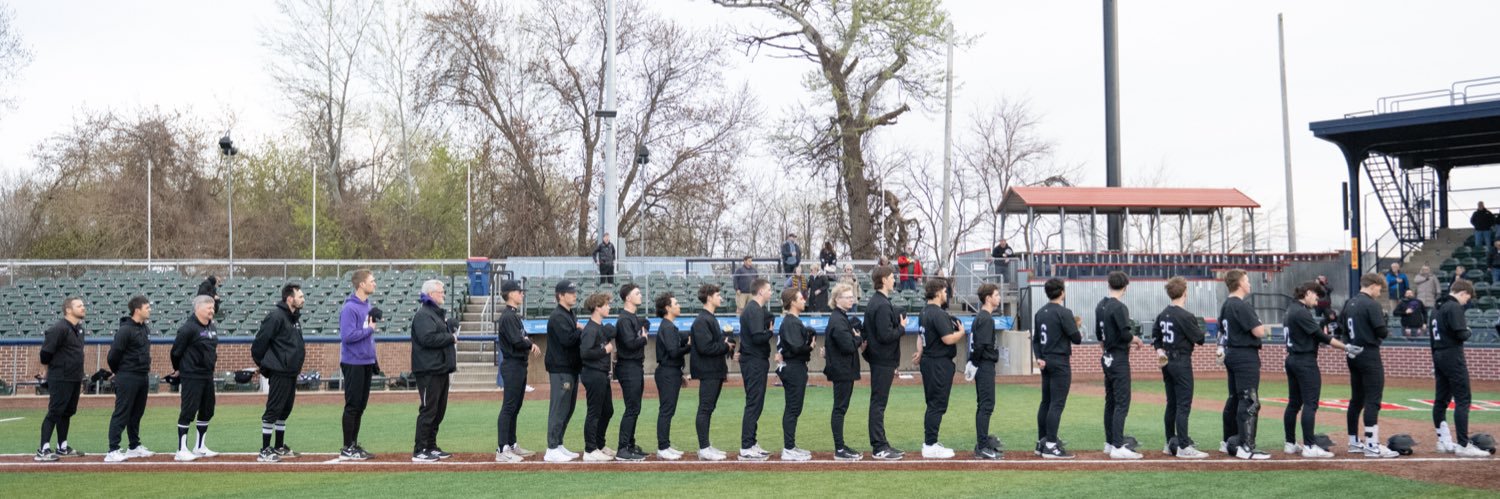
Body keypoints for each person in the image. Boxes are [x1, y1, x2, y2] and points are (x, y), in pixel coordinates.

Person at [1282, 281, 1352, 459]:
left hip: (1292, 359)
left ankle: (1290, 443)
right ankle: (1309, 446)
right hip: (1304, 361)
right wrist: (1346, 347)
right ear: (1307, 293)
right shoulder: (1301, 312)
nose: (1317, 299)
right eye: (1316, 295)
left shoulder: (1291, 309)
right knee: (1310, 403)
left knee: (1294, 403)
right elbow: (1321, 336)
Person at [1339, 273, 1400, 458]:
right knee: (1373, 399)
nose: (1378, 292)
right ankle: (1372, 444)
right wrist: (1386, 327)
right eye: (1379, 289)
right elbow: (1380, 331)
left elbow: (1341, 330)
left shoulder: (1349, 303)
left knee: (1356, 399)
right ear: (1373, 285)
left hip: (1352, 352)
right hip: (1369, 353)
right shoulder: (1371, 304)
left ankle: (1353, 442)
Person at [1431, 280, 1489, 457]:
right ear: (1462, 292)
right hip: (1452, 355)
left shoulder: (1436, 307)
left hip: (1438, 354)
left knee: (1441, 399)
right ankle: (1463, 444)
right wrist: (1469, 331)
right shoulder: (1454, 307)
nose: (1466, 302)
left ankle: (1443, 441)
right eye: (1467, 298)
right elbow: (1461, 334)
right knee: (1463, 399)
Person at [1152, 277, 1208, 459]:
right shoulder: (1185, 315)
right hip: (1181, 361)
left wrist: (1160, 351)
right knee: (1183, 405)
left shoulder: (1163, 314)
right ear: (1185, 293)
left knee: (1172, 404)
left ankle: (1170, 443)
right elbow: (1200, 339)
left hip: (1167, 361)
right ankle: (1183, 445)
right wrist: (1200, 328)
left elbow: (1156, 337)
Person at [1218, 269, 1271, 460]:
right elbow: (1259, 332)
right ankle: (1245, 447)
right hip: (1244, 355)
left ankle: (1229, 441)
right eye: (1247, 280)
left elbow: (1221, 333)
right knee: (1249, 400)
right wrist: (1261, 325)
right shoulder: (1241, 305)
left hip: (1231, 353)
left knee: (1235, 398)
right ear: (1240, 283)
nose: (1249, 283)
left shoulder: (1226, 305)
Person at [252, 283, 307, 462]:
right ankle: (265, 450)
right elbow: (259, 344)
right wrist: (267, 365)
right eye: (300, 296)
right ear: (289, 298)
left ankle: (279, 446)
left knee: (285, 410)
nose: (303, 299)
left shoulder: (294, 318)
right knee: (273, 410)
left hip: (291, 372)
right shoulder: (276, 316)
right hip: (280, 371)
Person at [1096, 271, 1144, 459]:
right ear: (1125, 287)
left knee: (1111, 401)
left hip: (1107, 356)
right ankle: (1117, 445)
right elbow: (1125, 334)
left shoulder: (1101, 305)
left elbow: (1100, 337)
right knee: (1122, 402)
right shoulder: (1119, 307)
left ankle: (1110, 442)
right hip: (1118, 357)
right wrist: (1137, 340)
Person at [915, 278, 965, 459]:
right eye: (944, 291)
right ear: (937, 292)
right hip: (938, 363)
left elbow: (920, 336)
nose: (946, 294)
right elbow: (947, 339)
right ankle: (930, 445)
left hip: (929, 361)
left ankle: (930, 442)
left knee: (933, 404)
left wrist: (920, 351)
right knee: (937, 405)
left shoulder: (923, 312)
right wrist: (961, 333)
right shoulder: (938, 313)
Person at [410, 280, 459, 463]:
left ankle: (431, 445)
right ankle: (420, 448)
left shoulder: (435, 314)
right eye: (440, 292)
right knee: (429, 409)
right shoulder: (423, 315)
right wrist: (450, 337)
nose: (443, 295)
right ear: (431, 294)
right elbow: (427, 338)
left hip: (440, 368)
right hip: (428, 369)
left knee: (439, 410)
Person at [1033, 278, 1082, 459]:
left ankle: (1042, 442)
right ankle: (1051, 445)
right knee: (1056, 403)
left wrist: (1038, 357)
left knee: (1046, 402)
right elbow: (1076, 339)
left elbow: (1036, 340)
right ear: (1061, 292)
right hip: (1060, 361)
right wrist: (1076, 325)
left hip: (1045, 361)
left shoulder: (1040, 312)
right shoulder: (1064, 312)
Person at [35, 296, 87, 462]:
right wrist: (47, 371)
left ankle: (62, 446)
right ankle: (43, 449)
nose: (83, 308)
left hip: (74, 377)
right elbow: (45, 354)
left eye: (83, 305)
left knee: (67, 412)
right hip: (60, 377)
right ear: (68, 310)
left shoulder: (79, 329)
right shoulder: (59, 328)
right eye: (79, 306)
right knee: (55, 411)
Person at [863, 265, 907, 460]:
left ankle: (882, 443)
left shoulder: (880, 302)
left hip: (881, 359)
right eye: (891, 276)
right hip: (882, 360)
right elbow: (885, 335)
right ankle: (879, 446)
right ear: (883, 280)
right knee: (878, 403)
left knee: (879, 403)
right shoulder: (880, 304)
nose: (894, 279)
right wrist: (902, 328)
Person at [104, 296, 154, 462]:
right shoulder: (125, 330)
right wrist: (120, 372)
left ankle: (134, 446)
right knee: (122, 412)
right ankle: (113, 450)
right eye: (147, 307)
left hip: (142, 376)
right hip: (127, 376)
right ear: (137, 310)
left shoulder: (144, 329)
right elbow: (113, 356)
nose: (150, 310)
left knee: (137, 413)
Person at [495, 280, 540, 463]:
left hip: (519, 365)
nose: (522, 294)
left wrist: (527, 342)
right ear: (511, 294)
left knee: (516, 406)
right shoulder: (507, 316)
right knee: (509, 407)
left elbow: (520, 337)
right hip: (512, 364)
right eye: (519, 291)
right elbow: (516, 340)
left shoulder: (514, 316)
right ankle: (502, 449)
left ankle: (512, 444)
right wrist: (530, 344)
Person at [171, 295, 220, 461]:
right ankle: (181, 449)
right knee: (188, 410)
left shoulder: (212, 327)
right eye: (209, 308)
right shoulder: (188, 328)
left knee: (208, 410)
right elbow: (175, 352)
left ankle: (200, 446)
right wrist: (179, 369)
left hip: (207, 375)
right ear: (198, 308)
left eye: (213, 308)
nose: (212, 311)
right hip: (192, 375)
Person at [337, 269, 378, 461]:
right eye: (372, 281)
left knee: (361, 406)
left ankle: (354, 444)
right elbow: (348, 336)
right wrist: (369, 330)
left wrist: (374, 359)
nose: (374, 283)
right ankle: (347, 447)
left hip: (366, 361)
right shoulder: (350, 308)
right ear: (361, 284)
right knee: (352, 405)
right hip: (353, 362)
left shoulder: (367, 306)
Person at [690, 284, 733, 461]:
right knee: (705, 408)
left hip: (715, 370)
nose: (721, 297)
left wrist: (725, 344)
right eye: (717, 294)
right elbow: (705, 347)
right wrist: (725, 345)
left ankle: (706, 445)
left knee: (709, 408)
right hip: (708, 371)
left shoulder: (710, 318)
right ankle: (703, 448)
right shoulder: (702, 320)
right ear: (709, 297)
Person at [544, 281, 584, 462]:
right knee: (559, 408)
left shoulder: (569, 314)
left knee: (568, 408)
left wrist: (577, 328)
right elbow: (568, 340)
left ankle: (558, 444)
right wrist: (581, 330)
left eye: (574, 291)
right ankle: (551, 448)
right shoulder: (558, 316)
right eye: (570, 292)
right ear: (560, 295)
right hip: (561, 368)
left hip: (571, 367)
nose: (574, 295)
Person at [824, 282, 864, 461]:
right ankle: (839, 449)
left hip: (844, 369)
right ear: (837, 299)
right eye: (848, 297)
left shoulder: (840, 317)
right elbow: (848, 346)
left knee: (841, 408)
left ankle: (841, 446)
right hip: (842, 370)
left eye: (852, 297)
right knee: (840, 408)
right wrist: (858, 338)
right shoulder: (838, 319)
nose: (851, 300)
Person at [736, 278, 775, 460]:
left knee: (756, 403)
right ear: (760, 291)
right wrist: (770, 332)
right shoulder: (754, 310)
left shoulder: (755, 310)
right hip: (753, 362)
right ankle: (746, 446)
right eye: (769, 289)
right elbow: (758, 337)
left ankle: (751, 442)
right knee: (753, 403)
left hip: (755, 361)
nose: (771, 292)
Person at [776, 288, 815, 461]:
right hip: (793, 368)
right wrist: (810, 346)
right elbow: (796, 348)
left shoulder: (794, 321)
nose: (804, 300)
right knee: (792, 408)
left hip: (796, 367)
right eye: (800, 298)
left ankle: (791, 445)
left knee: (795, 408)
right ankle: (788, 448)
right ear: (792, 301)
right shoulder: (790, 322)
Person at [612, 284, 650, 461]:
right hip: (628, 367)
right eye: (637, 293)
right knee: (632, 407)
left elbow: (645, 323)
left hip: (636, 366)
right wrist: (642, 339)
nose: (640, 295)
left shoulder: (633, 318)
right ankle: (622, 448)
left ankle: (630, 445)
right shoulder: (624, 320)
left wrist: (643, 333)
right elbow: (629, 343)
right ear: (628, 298)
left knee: (636, 407)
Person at [578, 293, 617, 462]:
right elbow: (585, 353)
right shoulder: (591, 329)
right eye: (606, 305)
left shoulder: (599, 327)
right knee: (594, 412)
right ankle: (590, 449)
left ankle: (599, 445)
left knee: (607, 410)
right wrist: (605, 351)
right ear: (597, 307)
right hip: (593, 374)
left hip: (602, 374)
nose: (609, 307)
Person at [653, 293, 690, 460]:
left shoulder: (670, 326)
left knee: (669, 409)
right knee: (666, 410)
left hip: (672, 371)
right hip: (667, 372)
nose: (679, 305)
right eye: (676, 303)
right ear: (668, 308)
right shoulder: (667, 327)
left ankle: (665, 444)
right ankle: (663, 447)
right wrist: (689, 346)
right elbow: (673, 352)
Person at [969, 284, 1002, 460]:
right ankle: (982, 445)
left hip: (982, 364)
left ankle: (982, 443)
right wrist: (974, 363)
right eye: (996, 295)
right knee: (986, 405)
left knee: (985, 405)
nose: (999, 298)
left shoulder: (981, 317)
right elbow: (980, 345)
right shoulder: (986, 318)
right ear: (988, 298)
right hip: (984, 365)